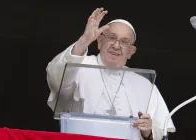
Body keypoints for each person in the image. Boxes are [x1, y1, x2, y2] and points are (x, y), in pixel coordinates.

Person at [46, 7, 175, 140]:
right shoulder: (79, 66)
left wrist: (148, 131)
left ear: (131, 51)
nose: (116, 45)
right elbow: (56, 80)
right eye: (112, 38)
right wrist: (84, 40)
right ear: (100, 41)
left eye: (124, 42)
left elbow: (162, 130)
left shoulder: (145, 85)